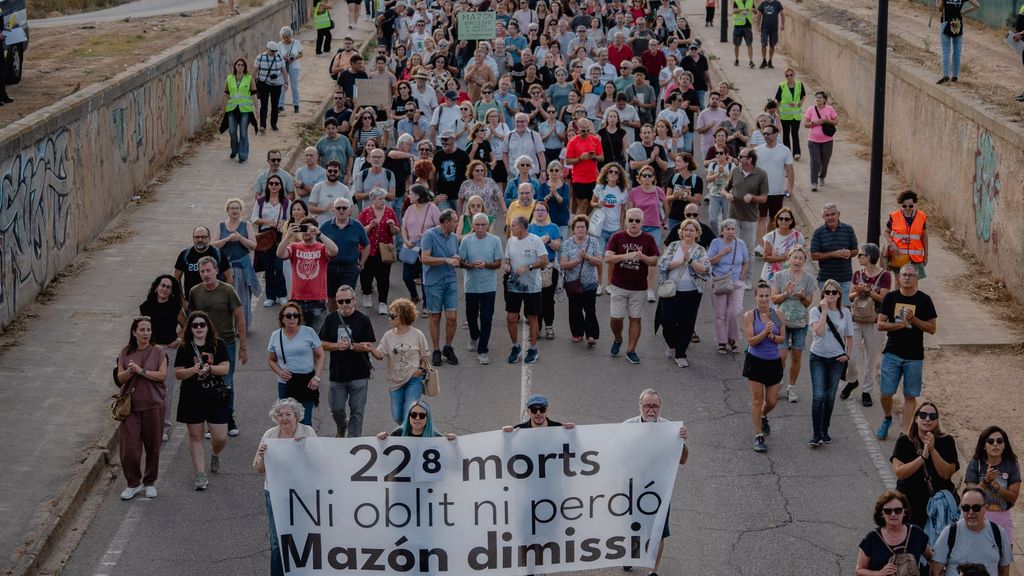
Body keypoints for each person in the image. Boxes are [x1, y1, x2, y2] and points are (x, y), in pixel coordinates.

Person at [623, 388, 689, 576]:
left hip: (659, 490)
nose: (651, 410)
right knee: (631, 526)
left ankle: (653, 570)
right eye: (647, 406)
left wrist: (682, 442)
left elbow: (683, 460)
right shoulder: (628, 427)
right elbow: (614, 455)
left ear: (660, 407)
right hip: (632, 488)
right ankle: (631, 553)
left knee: (658, 530)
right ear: (640, 407)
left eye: (655, 406)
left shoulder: (671, 429)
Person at [253, 398, 315, 576]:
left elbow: (320, 463)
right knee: (277, 541)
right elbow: (259, 469)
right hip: (276, 493)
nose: (284, 418)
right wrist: (263, 456)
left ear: (296, 416)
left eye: (288, 414)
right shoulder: (270, 435)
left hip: (303, 493)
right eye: (280, 415)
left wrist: (305, 448)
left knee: (303, 537)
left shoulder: (307, 431)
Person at [876, 264, 938, 440]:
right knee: (886, 393)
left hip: (914, 356)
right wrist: (900, 325)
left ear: (916, 278)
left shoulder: (924, 300)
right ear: (899, 278)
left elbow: (932, 328)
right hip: (892, 353)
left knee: (910, 395)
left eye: (911, 275)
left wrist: (914, 320)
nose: (907, 278)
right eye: (904, 275)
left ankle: (904, 432)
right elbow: (880, 324)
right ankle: (887, 418)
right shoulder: (890, 297)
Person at [188, 256, 248, 436]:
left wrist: (243, 347)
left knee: (226, 383)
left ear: (216, 271)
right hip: (204, 345)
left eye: (208, 270)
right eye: (202, 271)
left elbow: (240, 319)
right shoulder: (195, 292)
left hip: (226, 343)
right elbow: (192, 319)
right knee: (208, 383)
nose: (205, 274)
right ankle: (212, 421)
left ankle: (228, 419)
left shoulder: (228, 291)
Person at [174, 310, 230, 491]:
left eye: (202, 325)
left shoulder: (218, 344)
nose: (198, 328)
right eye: (195, 325)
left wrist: (208, 369)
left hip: (214, 395)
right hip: (191, 396)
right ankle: (200, 474)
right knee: (195, 436)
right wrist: (193, 370)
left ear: (208, 327)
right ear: (190, 328)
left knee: (220, 437)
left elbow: (225, 369)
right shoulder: (184, 347)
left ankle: (215, 453)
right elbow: (178, 373)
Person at [114, 316, 168, 500]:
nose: (146, 333)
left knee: (153, 446)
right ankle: (133, 483)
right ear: (134, 332)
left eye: (148, 330)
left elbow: (162, 375)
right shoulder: (125, 353)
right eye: (142, 330)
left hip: (153, 405)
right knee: (129, 449)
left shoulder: (159, 352)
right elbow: (120, 378)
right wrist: (130, 371)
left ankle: (150, 482)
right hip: (131, 408)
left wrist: (142, 371)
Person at [890, 400, 959, 529]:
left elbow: (946, 473)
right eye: (923, 415)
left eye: (932, 416)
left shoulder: (947, 441)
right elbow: (900, 473)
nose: (927, 419)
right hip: (909, 505)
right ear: (916, 419)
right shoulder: (904, 441)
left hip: (937, 507)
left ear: (937, 422)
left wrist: (932, 450)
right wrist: (922, 457)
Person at [605, 207, 660, 364]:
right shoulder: (617, 237)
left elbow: (654, 261)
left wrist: (643, 257)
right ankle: (617, 338)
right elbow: (608, 258)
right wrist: (625, 256)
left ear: (643, 222)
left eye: (637, 221)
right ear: (625, 221)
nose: (634, 223)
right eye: (631, 220)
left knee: (635, 318)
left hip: (639, 287)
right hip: (619, 285)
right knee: (616, 318)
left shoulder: (648, 239)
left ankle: (631, 350)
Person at [320, 285, 375, 437]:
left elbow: (368, 346)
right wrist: (337, 346)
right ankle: (341, 426)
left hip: (359, 374)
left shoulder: (363, 319)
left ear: (354, 301)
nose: (344, 304)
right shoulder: (330, 318)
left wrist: (351, 346)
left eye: (347, 301)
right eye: (340, 301)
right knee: (337, 409)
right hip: (337, 373)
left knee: (357, 411)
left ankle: (353, 442)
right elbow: (321, 344)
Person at [841, 243, 892, 407]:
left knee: (871, 358)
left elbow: (885, 299)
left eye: (861, 255)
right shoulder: (857, 274)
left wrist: (868, 291)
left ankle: (867, 391)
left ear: (869, 257)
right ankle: (853, 380)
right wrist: (858, 291)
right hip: (856, 319)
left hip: (875, 320)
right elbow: (850, 297)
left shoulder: (885, 275)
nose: (858, 258)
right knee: (850, 356)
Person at [806, 279, 853, 447]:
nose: (830, 295)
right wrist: (824, 311)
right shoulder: (815, 311)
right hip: (817, 357)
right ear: (823, 294)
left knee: (830, 396)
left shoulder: (845, 313)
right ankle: (816, 433)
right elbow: (817, 332)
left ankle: (825, 430)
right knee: (818, 396)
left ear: (839, 294)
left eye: (834, 292)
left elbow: (849, 336)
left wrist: (847, 355)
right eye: (827, 292)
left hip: (836, 359)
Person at [657, 219, 710, 368]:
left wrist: (691, 260)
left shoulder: (700, 250)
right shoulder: (674, 246)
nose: (688, 232)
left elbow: (706, 270)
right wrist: (680, 261)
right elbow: (662, 264)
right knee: (666, 320)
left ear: (697, 233)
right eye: (686, 229)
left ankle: (680, 353)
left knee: (687, 323)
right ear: (681, 231)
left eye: (691, 230)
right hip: (671, 290)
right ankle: (672, 344)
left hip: (691, 292)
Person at [369, 298, 431, 424]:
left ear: (403, 316)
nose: (389, 318)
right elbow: (380, 355)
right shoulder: (388, 336)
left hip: (414, 380)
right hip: (395, 381)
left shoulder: (417, 334)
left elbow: (424, 356)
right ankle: (409, 433)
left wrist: (420, 370)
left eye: (392, 316)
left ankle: (410, 440)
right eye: (389, 315)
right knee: (397, 416)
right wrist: (370, 348)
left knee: (409, 414)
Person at [139, 275, 185, 443]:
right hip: (150, 350)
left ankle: (164, 427)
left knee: (166, 389)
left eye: (169, 287)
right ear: (156, 287)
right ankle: (151, 425)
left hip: (168, 350)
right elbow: (141, 329)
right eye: (162, 285)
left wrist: (179, 340)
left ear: (172, 292)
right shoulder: (146, 307)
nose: (165, 289)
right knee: (149, 389)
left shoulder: (175, 307)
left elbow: (186, 325)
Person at [276, 216, 341, 334]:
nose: (306, 232)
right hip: (297, 300)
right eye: (303, 229)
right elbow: (280, 254)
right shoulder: (294, 247)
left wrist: (319, 233)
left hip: (317, 300)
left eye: (309, 229)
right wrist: (288, 236)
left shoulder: (321, 248)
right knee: (298, 337)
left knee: (316, 339)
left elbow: (335, 250)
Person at [770, 245, 816, 403]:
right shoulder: (779, 276)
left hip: (800, 321)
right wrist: (786, 293)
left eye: (800, 258)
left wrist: (802, 297)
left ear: (804, 261)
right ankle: (778, 380)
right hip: (780, 319)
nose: (797, 260)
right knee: (781, 355)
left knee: (796, 355)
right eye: (794, 257)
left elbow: (808, 302)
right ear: (789, 259)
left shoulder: (809, 279)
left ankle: (792, 387)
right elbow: (774, 299)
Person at [932, 487, 1013, 576]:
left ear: (985, 508)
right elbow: (936, 571)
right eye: (966, 508)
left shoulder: (998, 533)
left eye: (976, 507)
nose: (971, 512)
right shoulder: (949, 532)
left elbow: (1004, 571)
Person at [267, 302, 325, 426]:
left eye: (295, 315)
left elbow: (321, 355)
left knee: (305, 421)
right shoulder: (275, 336)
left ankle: (305, 444)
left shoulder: (308, 332)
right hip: (286, 384)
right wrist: (280, 372)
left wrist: (317, 377)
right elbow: (271, 360)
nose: (292, 318)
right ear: (282, 318)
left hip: (307, 381)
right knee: (286, 420)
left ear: (299, 317)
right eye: (288, 315)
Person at [743, 281, 784, 453]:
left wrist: (773, 336)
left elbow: (782, 338)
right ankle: (758, 435)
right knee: (757, 399)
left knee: (772, 400)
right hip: (756, 360)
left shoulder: (776, 314)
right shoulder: (750, 316)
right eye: (761, 296)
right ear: (756, 298)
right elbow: (751, 341)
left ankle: (764, 415)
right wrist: (764, 333)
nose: (764, 299)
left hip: (773, 361)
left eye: (767, 296)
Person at [458, 213, 504, 365]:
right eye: (477, 225)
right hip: (471, 286)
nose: (480, 228)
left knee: (486, 318)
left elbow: (498, 263)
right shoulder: (466, 240)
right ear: (472, 225)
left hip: (488, 286)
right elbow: (461, 261)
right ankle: (474, 336)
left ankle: (483, 350)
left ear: (487, 225)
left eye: (483, 225)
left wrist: (485, 264)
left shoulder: (495, 240)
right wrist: (471, 266)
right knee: (471, 317)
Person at [965, 426, 1021, 544]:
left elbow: (1013, 498)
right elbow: (969, 496)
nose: (995, 444)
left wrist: (997, 487)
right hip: (978, 518)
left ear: (1004, 445)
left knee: (1005, 559)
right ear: (984, 446)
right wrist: (985, 481)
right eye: (990, 441)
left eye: (999, 441)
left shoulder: (1011, 465)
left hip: (1003, 519)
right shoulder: (975, 464)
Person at [855, 490, 932, 575]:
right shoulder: (872, 538)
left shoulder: (915, 533)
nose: (893, 514)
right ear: (882, 514)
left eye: (898, 510)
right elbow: (859, 570)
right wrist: (879, 573)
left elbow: (931, 558)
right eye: (888, 511)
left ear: (904, 512)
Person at [504, 216, 548, 364]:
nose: (511, 228)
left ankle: (533, 349)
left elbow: (544, 260)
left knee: (532, 318)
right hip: (514, 285)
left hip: (532, 287)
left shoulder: (535, 240)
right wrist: (507, 265)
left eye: (513, 226)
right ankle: (515, 347)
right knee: (511, 317)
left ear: (521, 227)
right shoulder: (511, 241)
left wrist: (529, 267)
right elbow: (507, 259)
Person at [420, 209, 461, 366]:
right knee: (435, 316)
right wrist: (446, 260)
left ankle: (448, 347)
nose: (457, 223)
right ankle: (436, 350)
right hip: (433, 281)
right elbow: (424, 259)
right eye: (455, 221)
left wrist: (456, 258)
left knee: (452, 317)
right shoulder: (429, 235)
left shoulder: (454, 238)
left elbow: (454, 256)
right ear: (446, 222)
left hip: (450, 279)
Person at [212, 198, 259, 331]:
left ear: (241, 211)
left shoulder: (246, 225)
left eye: (237, 208)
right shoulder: (221, 225)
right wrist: (227, 239)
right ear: (227, 210)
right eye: (232, 208)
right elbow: (213, 244)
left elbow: (253, 245)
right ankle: (226, 326)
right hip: (225, 268)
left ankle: (242, 326)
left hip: (241, 268)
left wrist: (240, 238)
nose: (234, 210)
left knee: (242, 298)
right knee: (224, 298)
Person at [724, 149, 768, 288]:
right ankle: (733, 276)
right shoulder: (735, 171)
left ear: (749, 159)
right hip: (733, 217)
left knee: (749, 250)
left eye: (741, 156)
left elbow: (764, 198)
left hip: (750, 218)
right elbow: (724, 189)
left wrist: (753, 197)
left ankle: (748, 279)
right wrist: (727, 195)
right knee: (732, 247)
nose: (738, 157)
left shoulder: (761, 174)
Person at [319, 197, 369, 314]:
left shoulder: (357, 226)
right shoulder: (325, 227)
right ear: (333, 210)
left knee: (346, 297)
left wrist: (361, 264)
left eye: (344, 208)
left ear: (349, 210)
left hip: (350, 268)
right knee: (331, 297)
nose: (341, 210)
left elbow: (366, 245)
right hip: (330, 268)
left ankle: (348, 321)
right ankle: (333, 319)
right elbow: (317, 245)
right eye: (338, 208)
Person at [560, 215, 603, 346]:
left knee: (590, 309)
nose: (580, 229)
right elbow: (563, 264)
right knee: (575, 309)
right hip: (573, 283)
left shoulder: (593, 242)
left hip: (590, 282)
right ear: (573, 229)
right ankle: (577, 333)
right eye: (577, 227)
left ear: (586, 228)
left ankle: (591, 335)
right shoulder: (567, 243)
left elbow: (599, 261)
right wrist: (578, 260)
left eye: (583, 227)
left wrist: (587, 257)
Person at [708, 219, 749, 355]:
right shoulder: (716, 243)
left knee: (734, 312)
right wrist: (722, 253)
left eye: (732, 229)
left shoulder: (740, 244)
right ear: (722, 231)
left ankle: (732, 339)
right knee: (720, 314)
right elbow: (710, 262)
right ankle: (721, 342)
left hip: (736, 282)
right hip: (720, 281)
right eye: (727, 229)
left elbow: (746, 262)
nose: (730, 232)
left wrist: (743, 275)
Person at [626, 166, 667, 301]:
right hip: (638, 228)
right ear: (640, 177)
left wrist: (664, 220)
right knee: (635, 257)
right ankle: (635, 285)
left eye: (650, 175)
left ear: (654, 177)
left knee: (652, 259)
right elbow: (630, 212)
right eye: (645, 175)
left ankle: (649, 289)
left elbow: (666, 206)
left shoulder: (659, 191)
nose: (647, 178)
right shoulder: (634, 192)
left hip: (654, 227)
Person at [357, 189, 400, 315]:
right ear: (373, 199)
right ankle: (366, 294)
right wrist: (370, 226)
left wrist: (392, 226)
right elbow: (359, 231)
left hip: (384, 250)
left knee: (383, 277)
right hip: (368, 250)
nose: (383, 201)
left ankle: (383, 302)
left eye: (384, 199)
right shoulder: (365, 212)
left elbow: (396, 231)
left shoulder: (390, 211)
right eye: (380, 199)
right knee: (366, 275)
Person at [753, 125, 794, 254]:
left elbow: (790, 170)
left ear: (776, 134)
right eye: (764, 134)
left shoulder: (785, 150)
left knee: (773, 219)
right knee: (761, 218)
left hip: (778, 191)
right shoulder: (756, 150)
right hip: (761, 191)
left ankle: (768, 242)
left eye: (769, 133)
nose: (766, 136)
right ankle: (760, 245)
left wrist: (790, 188)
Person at [811, 202, 859, 305]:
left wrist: (848, 253)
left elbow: (855, 250)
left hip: (845, 279)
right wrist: (834, 254)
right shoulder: (818, 233)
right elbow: (814, 255)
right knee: (828, 310)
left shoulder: (848, 229)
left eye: (833, 214)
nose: (830, 217)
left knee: (845, 310)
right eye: (827, 215)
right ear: (823, 217)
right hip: (826, 279)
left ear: (838, 214)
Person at [252, 176, 289, 305]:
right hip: (266, 236)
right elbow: (254, 218)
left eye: (276, 183)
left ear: (280, 186)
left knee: (279, 267)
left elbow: (290, 219)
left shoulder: (285, 201)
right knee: (268, 267)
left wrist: (283, 223)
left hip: (280, 236)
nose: (274, 185)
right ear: (267, 185)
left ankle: (282, 294)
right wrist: (267, 221)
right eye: (271, 183)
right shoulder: (261, 201)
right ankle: (270, 296)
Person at [401, 184, 441, 303]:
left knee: (425, 278)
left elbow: (440, 227)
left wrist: (428, 235)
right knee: (407, 277)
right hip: (411, 247)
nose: (408, 196)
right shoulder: (409, 209)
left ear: (418, 195)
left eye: (410, 193)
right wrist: (405, 240)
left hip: (426, 248)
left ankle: (426, 305)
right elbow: (403, 227)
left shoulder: (432, 208)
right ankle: (414, 297)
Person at [174, 226, 233, 299]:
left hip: (214, 301)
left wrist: (223, 298)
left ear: (209, 238)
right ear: (193, 238)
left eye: (203, 237)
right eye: (197, 237)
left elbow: (229, 278)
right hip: (192, 303)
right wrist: (182, 301)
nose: (200, 240)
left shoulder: (219, 254)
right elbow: (176, 278)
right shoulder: (185, 255)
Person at [885, 190, 929, 280]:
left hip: (915, 258)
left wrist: (926, 256)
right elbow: (886, 232)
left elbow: (924, 237)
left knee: (914, 283)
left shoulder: (921, 217)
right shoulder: (894, 216)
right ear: (900, 204)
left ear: (915, 204)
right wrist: (892, 244)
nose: (908, 208)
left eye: (911, 206)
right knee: (898, 281)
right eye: (904, 206)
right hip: (898, 256)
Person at [565, 118, 604, 215]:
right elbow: (568, 161)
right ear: (578, 129)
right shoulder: (573, 142)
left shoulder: (595, 140)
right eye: (583, 130)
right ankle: (580, 224)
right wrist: (579, 158)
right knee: (583, 203)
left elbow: (602, 158)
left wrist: (594, 156)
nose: (586, 133)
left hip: (593, 177)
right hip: (579, 178)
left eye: (588, 130)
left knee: (591, 203)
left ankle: (583, 222)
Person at [936, 0, 980, 84]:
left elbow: (940, 9)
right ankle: (955, 76)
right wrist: (964, 12)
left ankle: (946, 76)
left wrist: (937, 2)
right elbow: (977, 5)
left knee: (946, 50)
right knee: (957, 51)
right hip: (957, 23)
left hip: (946, 23)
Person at [224, 58, 258, 164]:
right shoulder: (229, 78)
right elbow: (226, 94)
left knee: (243, 133)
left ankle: (243, 155)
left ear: (245, 67)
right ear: (235, 66)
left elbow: (253, 94)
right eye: (238, 65)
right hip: (232, 109)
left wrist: (257, 108)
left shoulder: (249, 78)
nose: (240, 66)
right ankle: (234, 149)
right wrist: (223, 108)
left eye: (242, 65)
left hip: (245, 110)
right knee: (232, 131)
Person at [803, 91, 838, 191]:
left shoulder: (829, 109)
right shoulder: (810, 109)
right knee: (815, 162)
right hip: (813, 141)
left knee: (825, 161)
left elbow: (836, 122)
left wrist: (825, 121)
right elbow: (805, 125)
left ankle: (822, 177)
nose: (818, 99)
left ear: (825, 100)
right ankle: (814, 182)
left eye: (820, 97)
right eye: (816, 97)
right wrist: (813, 122)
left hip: (827, 141)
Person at [760, 207, 803, 282]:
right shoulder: (770, 236)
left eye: (786, 219)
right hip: (771, 276)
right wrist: (784, 257)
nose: (783, 221)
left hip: (790, 277)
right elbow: (765, 257)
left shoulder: (798, 236)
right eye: (781, 218)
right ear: (777, 220)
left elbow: (802, 256)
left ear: (791, 221)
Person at [377, 400, 457, 439]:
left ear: (427, 418)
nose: (417, 418)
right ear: (409, 417)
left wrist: (454, 443)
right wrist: (380, 441)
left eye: (422, 415)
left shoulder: (437, 437)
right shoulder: (398, 433)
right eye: (413, 415)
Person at [254, 42, 287, 132]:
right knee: (264, 105)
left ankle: (273, 124)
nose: (274, 53)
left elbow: (284, 70)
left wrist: (286, 82)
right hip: (264, 84)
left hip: (277, 85)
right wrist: (253, 84)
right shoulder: (260, 57)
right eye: (272, 51)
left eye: (275, 51)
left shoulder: (279, 57)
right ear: (267, 49)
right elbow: (255, 70)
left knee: (275, 105)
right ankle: (262, 126)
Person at [503, 394, 577, 430]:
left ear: (547, 410)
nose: (538, 413)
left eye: (542, 409)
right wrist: (506, 436)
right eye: (534, 410)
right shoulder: (518, 430)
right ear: (528, 412)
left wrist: (573, 433)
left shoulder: (559, 428)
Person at [776, 68, 804, 160]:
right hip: (785, 115)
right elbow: (778, 100)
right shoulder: (782, 86)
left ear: (794, 75)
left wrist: (801, 102)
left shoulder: (799, 84)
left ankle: (796, 153)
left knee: (795, 133)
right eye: (787, 75)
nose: (789, 77)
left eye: (791, 75)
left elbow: (803, 95)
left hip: (796, 115)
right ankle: (787, 152)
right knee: (786, 134)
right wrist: (778, 113)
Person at [277, 27, 303, 113]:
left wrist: (293, 58)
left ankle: (296, 105)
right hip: (283, 66)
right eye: (284, 37)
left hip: (294, 66)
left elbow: (301, 54)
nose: (286, 39)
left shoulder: (296, 43)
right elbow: (277, 56)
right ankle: (280, 105)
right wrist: (283, 58)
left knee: (294, 86)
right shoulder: (279, 45)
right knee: (282, 85)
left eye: (287, 37)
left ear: (290, 36)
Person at [755, 0, 784, 69]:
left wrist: (783, 24)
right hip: (764, 28)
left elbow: (782, 14)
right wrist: (758, 25)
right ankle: (764, 60)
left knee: (772, 45)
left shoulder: (777, 3)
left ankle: (770, 61)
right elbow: (759, 15)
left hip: (774, 28)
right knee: (763, 44)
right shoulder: (763, 3)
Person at [732, 0, 756, 68]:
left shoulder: (750, 1)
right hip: (738, 26)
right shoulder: (736, 1)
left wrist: (753, 10)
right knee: (737, 45)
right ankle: (736, 59)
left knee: (749, 44)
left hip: (747, 26)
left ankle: (751, 61)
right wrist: (743, 9)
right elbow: (734, 11)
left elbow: (755, 12)